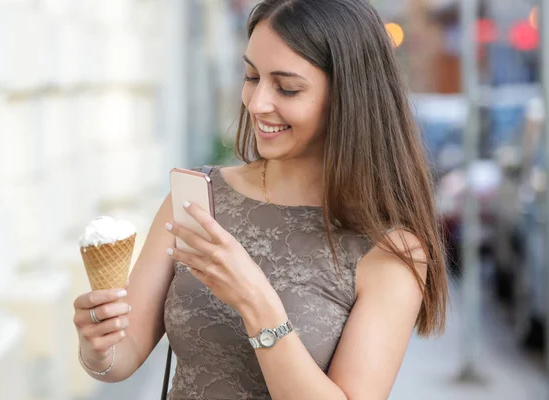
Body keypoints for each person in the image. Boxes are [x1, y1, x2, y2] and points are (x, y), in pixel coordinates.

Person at [72, 0, 449, 398]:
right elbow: (121, 357)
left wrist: (255, 301)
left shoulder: (388, 249)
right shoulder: (200, 199)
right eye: (252, 76)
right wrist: (97, 347)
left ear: (348, 96)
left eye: (286, 87)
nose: (256, 103)